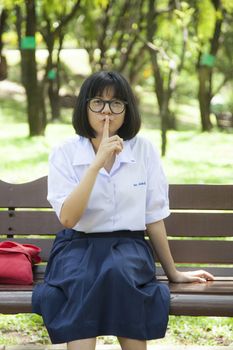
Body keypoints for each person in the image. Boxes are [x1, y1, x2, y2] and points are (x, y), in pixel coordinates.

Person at [32, 71, 214, 350]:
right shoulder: (65, 152)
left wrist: (173, 272)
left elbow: (153, 217)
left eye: (116, 104)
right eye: (98, 103)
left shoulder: (144, 151)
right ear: (85, 107)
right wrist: (96, 163)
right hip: (78, 248)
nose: (107, 111)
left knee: (119, 272)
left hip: (128, 248)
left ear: (126, 110)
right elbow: (69, 218)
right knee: (82, 280)